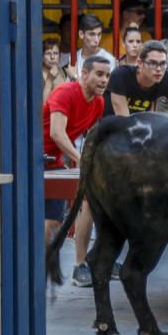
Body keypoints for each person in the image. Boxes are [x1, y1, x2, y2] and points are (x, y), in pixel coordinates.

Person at [42, 55, 112, 288]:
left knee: (53, 224)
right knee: (41, 227)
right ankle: (34, 272)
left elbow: (92, 138)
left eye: (107, 76)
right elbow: (56, 133)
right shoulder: (65, 93)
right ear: (84, 74)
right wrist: (82, 161)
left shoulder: (99, 103)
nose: (104, 80)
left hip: (55, 163)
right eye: (99, 74)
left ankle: (78, 265)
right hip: (31, 161)